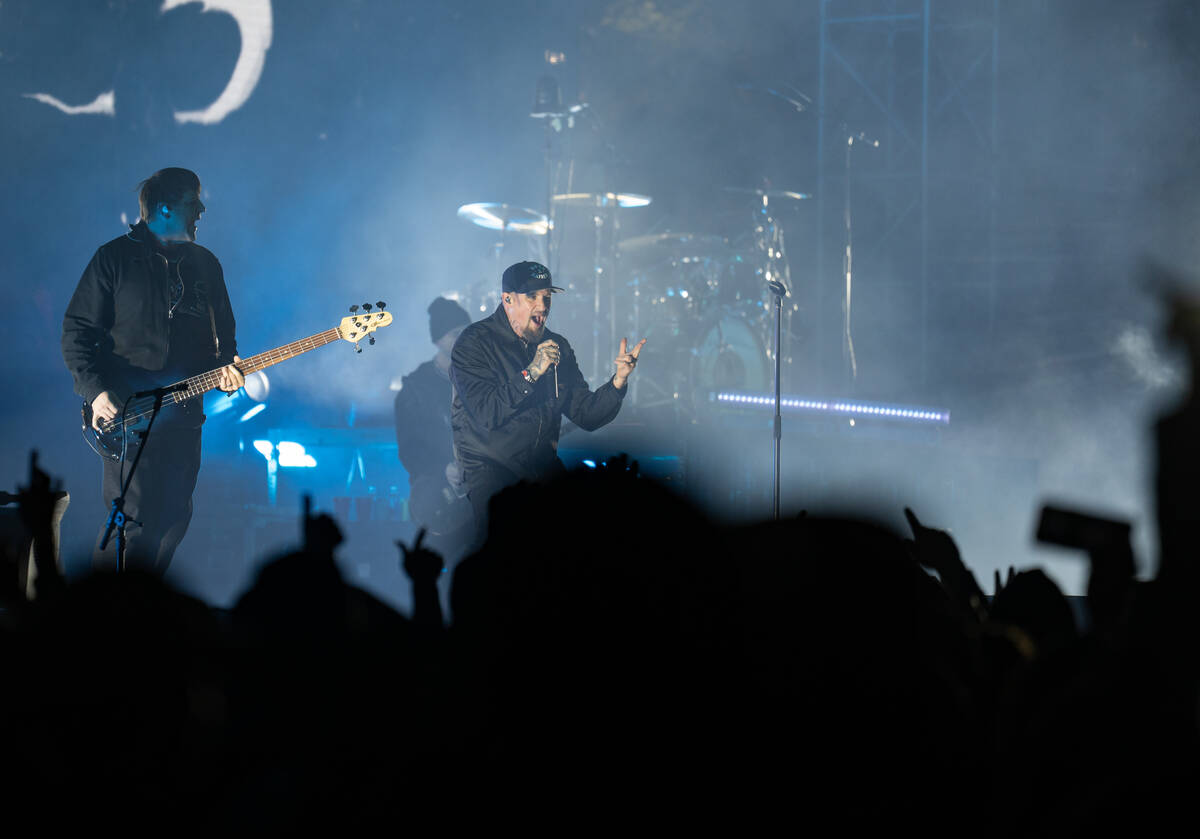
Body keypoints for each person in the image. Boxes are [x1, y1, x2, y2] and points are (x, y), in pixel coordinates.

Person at [61, 167, 244, 573]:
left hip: (184, 416)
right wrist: (96, 392)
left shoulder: (206, 264)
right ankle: (104, 606)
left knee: (175, 518)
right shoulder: (113, 258)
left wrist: (227, 371)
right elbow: (77, 332)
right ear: (164, 208)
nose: (201, 210)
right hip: (128, 417)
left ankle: (146, 605)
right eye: (192, 203)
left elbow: (224, 338)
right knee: (133, 520)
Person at [449, 260, 645, 537]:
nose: (542, 306)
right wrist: (531, 373)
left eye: (547, 297)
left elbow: (586, 414)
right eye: (532, 296)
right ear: (507, 299)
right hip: (491, 466)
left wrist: (618, 382)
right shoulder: (475, 343)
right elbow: (486, 412)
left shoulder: (556, 345)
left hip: (540, 464)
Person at [394, 297, 473, 555]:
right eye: (455, 334)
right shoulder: (416, 389)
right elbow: (409, 449)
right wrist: (443, 469)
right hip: (439, 501)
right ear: (438, 340)